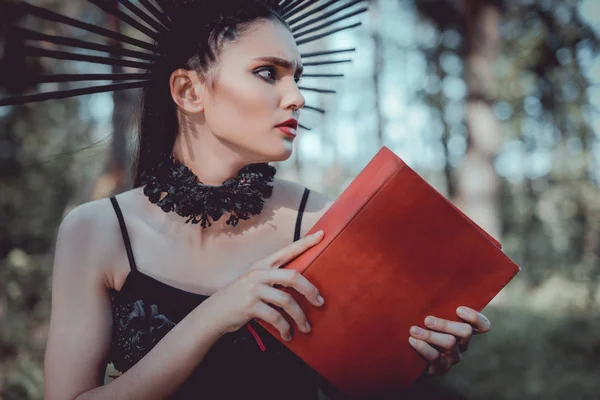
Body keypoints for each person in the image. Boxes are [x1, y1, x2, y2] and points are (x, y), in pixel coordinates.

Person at [30, 1, 492, 399]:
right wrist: (213, 315)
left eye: (297, 77)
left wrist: (413, 360)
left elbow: (357, 383)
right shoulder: (97, 231)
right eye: (268, 73)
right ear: (189, 91)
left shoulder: (321, 222)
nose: (296, 97)